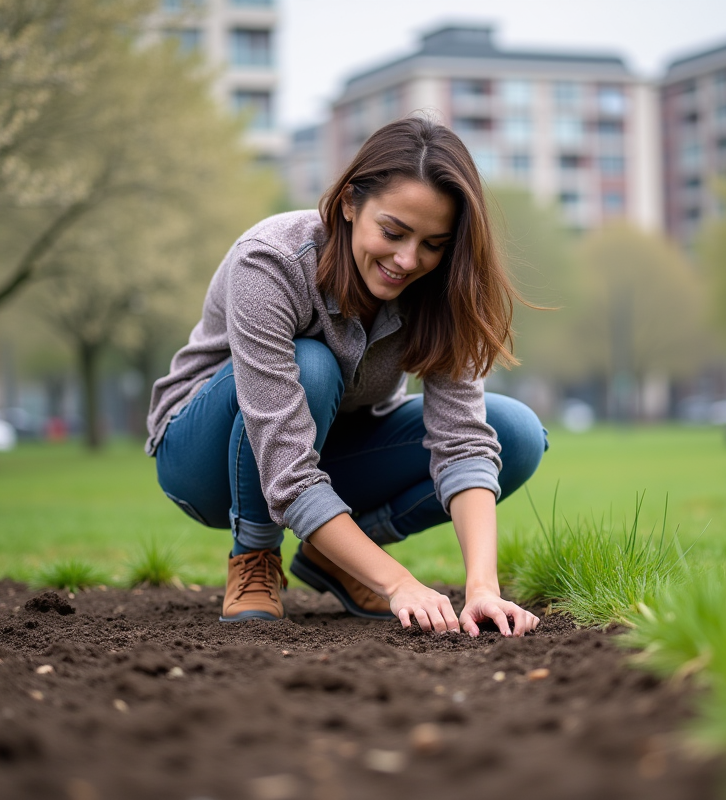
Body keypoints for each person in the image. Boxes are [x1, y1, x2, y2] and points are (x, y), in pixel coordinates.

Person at [145, 117, 547, 638]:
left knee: (513, 433)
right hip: (205, 461)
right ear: (349, 204)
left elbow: (463, 442)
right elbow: (287, 467)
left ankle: (336, 552)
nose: (407, 260)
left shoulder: (446, 290)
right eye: (393, 232)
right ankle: (255, 555)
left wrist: (482, 589)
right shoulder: (270, 261)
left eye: (434, 243)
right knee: (312, 363)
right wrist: (399, 583)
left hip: (330, 448)